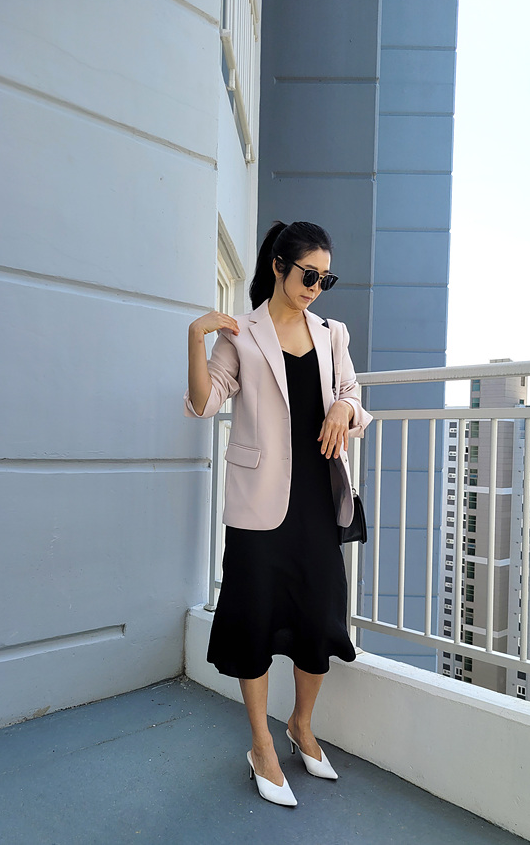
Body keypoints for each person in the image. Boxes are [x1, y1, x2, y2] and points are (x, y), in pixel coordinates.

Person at [184, 221, 372, 806]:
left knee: (320, 618)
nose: (316, 287)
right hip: (258, 500)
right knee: (255, 620)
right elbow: (203, 404)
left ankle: (301, 725)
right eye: (308, 275)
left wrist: (342, 409)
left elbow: (354, 396)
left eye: (325, 279)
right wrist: (195, 338)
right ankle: (262, 744)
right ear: (278, 267)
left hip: (317, 497)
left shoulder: (332, 334)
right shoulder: (241, 334)